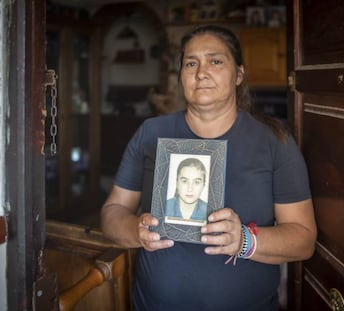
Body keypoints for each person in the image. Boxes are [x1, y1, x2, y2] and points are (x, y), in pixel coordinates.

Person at [101, 25, 317, 311]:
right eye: (191, 63)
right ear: (181, 76)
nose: (201, 72)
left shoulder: (274, 141)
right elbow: (111, 214)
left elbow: (304, 240)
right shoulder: (151, 133)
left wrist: (244, 240)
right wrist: (135, 229)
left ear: (239, 74)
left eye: (215, 61)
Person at [165, 157, 208, 223]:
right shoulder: (164, 206)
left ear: (203, 185)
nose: (190, 189)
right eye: (184, 181)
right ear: (177, 183)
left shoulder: (209, 211)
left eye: (196, 182)